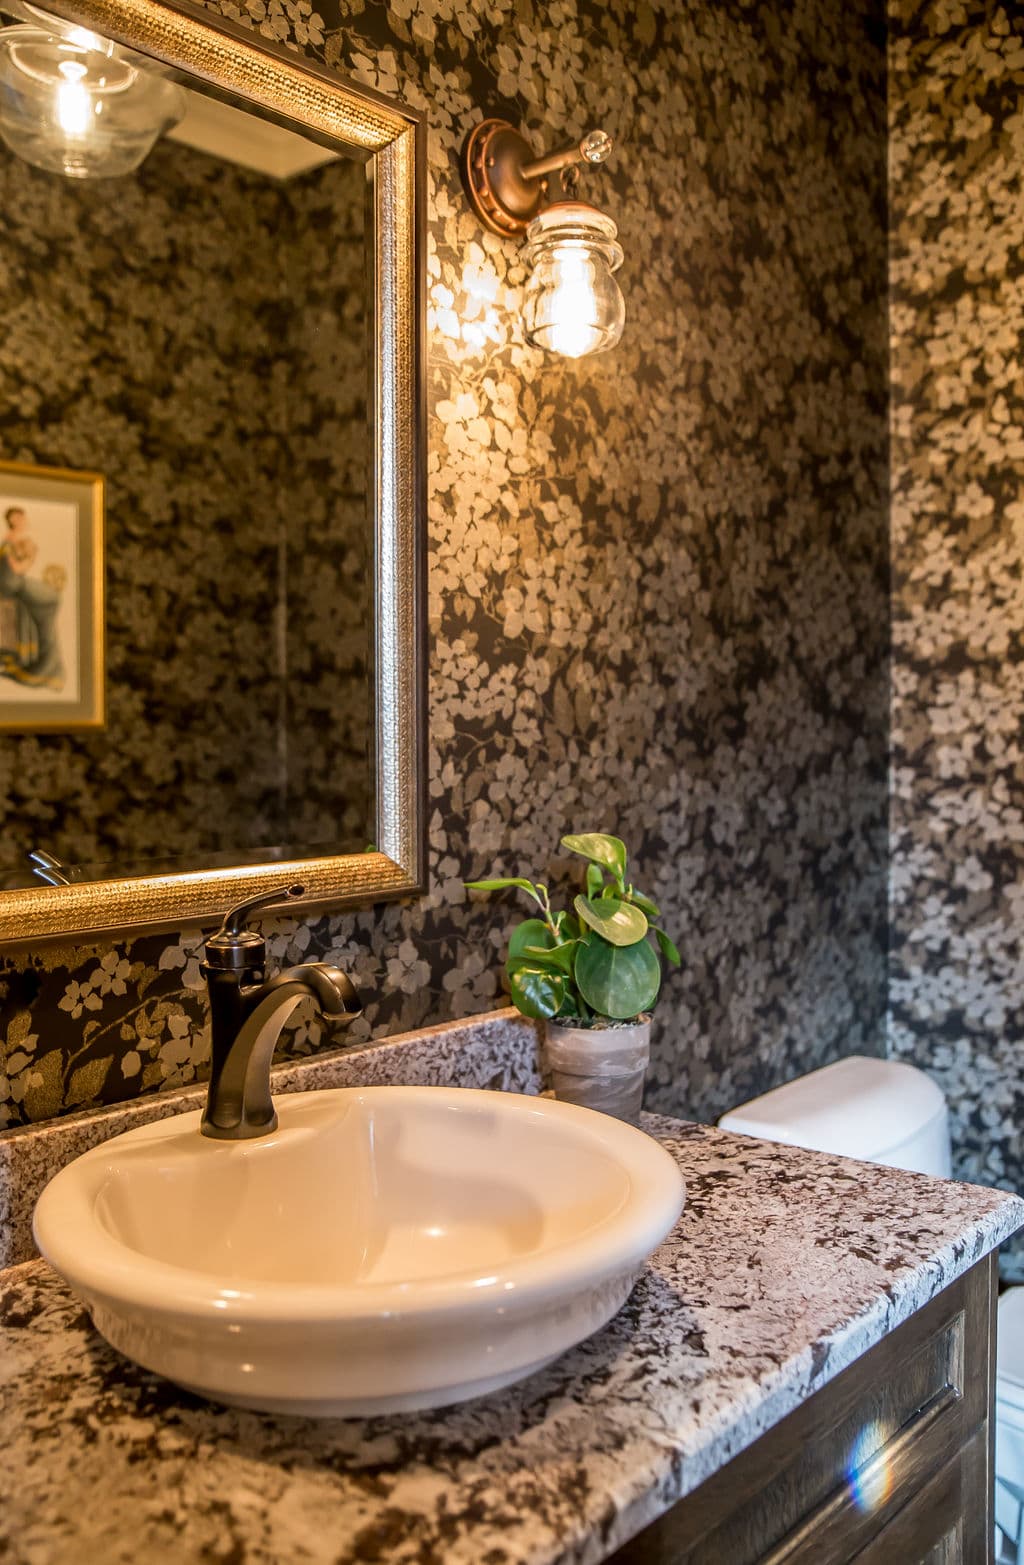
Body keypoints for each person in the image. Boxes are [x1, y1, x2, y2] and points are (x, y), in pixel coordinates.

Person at [0, 505, 65, 689]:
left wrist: (29, 555)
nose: (21, 520)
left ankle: (41, 659)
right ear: (12, 520)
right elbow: (16, 569)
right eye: (17, 517)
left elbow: (22, 567)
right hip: (9, 585)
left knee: (49, 599)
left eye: (22, 517)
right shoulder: (9, 540)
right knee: (47, 600)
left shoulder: (22, 540)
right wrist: (28, 557)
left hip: (15, 583)